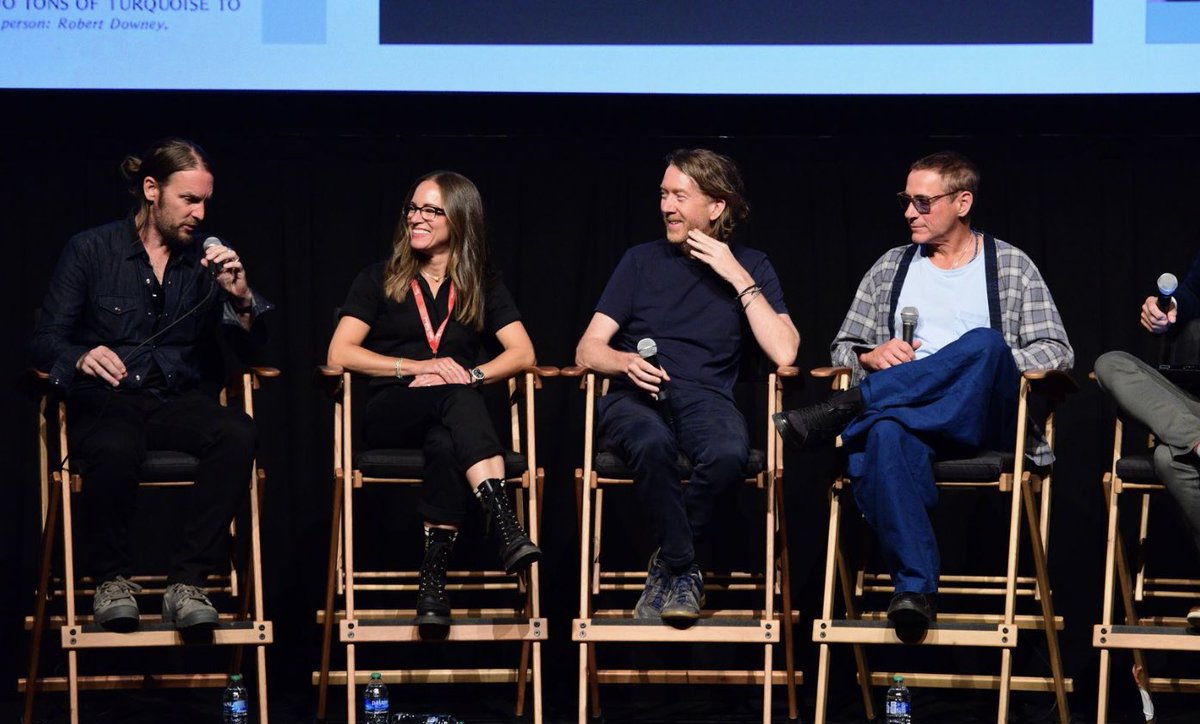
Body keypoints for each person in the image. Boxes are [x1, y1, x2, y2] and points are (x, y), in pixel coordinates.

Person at [774, 151, 1073, 628]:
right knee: (888, 433)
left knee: (985, 344)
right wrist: (870, 357)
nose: (909, 213)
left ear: (962, 202)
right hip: (914, 418)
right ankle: (913, 592)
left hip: (984, 420)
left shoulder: (1011, 266)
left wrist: (970, 366)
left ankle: (851, 405)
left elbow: (1056, 352)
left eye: (921, 201)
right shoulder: (891, 267)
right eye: (905, 201)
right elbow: (844, 347)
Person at [30, 138, 273, 632]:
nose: (200, 213)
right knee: (116, 447)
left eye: (205, 201)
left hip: (175, 399)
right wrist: (80, 356)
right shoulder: (92, 249)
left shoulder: (205, 266)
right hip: (108, 399)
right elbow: (43, 340)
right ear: (151, 190)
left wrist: (242, 299)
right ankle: (111, 581)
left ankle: (187, 583)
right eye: (189, 200)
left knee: (238, 432)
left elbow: (250, 354)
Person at [575, 149, 799, 626]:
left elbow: (785, 352)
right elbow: (587, 349)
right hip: (636, 394)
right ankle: (682, 566)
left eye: (680, 195)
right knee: (651, 442)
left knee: (726, 455)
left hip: (706, 399)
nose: (666, 207)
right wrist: (624, 361)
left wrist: (736, 275)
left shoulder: (752, 265)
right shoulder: (640, 261)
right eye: (663, 194)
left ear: (716, 207)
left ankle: (671, 564)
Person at [326, 170, 540, 633]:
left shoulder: (481, 283)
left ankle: (432, 583)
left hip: (454, 420)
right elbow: (339, 352)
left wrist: (473, 373)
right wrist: (416, 368)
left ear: (459, 219)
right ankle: (503, 521)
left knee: (447, 443)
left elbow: (524, 353)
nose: (416, 218)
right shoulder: (379, 278)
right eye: (413, 208)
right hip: (392, 410)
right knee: (455, 396)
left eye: (430, 210)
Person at [1093, 253, 1200, 629]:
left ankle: (1190, 443)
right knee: (1111, 363)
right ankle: (1195, 439)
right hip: (1190, 404)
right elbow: (1189, 296)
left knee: (1170, 459)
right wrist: (1165, 311)